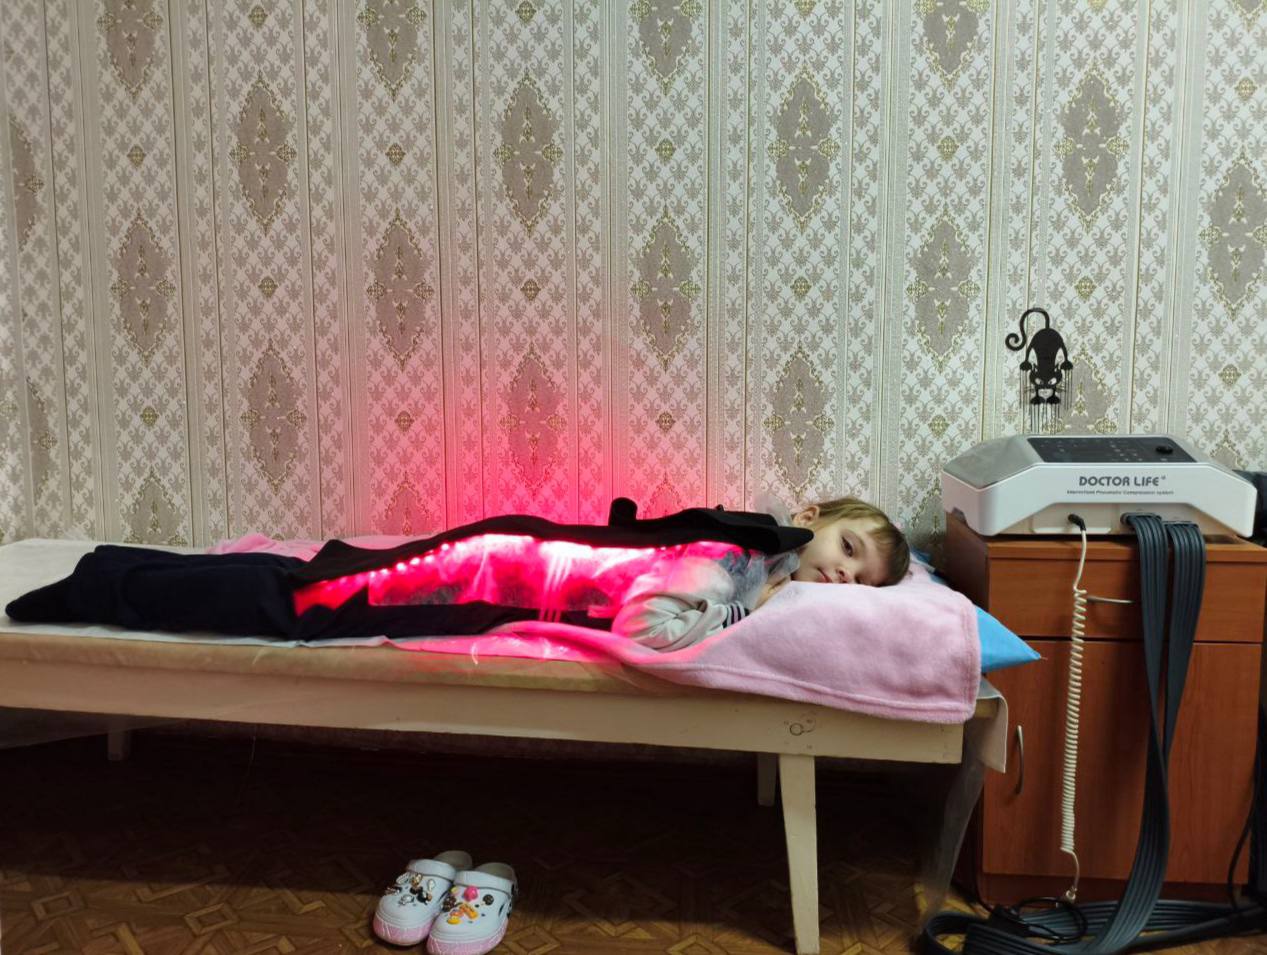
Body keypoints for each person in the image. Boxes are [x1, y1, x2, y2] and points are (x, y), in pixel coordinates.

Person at [611, 495, 910, 651]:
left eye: (860, 581)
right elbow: (638, 628)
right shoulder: (739, 560)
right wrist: (744, 615)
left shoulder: (783, 580)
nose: (847, 573)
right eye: (848, 547)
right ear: (807, 518)